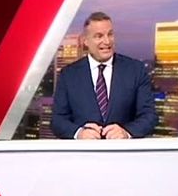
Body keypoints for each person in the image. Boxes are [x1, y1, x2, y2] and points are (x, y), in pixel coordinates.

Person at [50, 11, 157, 140]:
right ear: (85, 41)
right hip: (85, 151)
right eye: (99, 36)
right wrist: (79, 133)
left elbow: (149, 116)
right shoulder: (68, 75)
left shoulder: (136, 70)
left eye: (110, 34)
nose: (107, 41)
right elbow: (58, 120)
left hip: (122, 150)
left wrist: (126, 132)